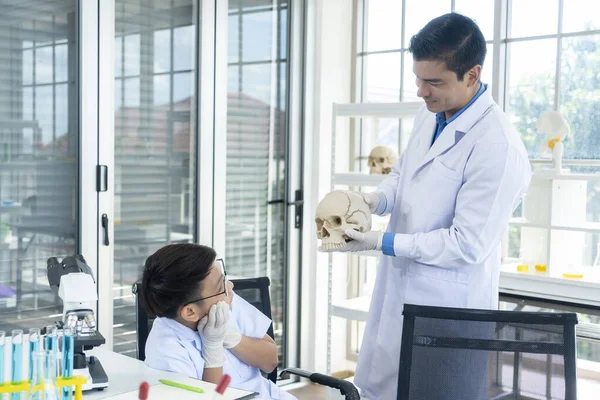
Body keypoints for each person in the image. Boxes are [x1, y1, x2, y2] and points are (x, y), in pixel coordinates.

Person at [323, 13, 532, 399]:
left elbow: (466, 244)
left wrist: (382, 242)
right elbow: (404, 175)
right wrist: (374, 199)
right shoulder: (431, 115)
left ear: (472, 75)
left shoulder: (497, 146)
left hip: (448, 310)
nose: (421, 91)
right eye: (418, 78)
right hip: (400, 291)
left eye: (433, 81)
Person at [140, 243, 296, 400]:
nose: (230, 286)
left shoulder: (223, 302)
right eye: (220, 285)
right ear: (190, 312)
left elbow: (270, 361)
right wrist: (213, 351)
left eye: (225, 279)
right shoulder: (166, 354)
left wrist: (230, 337)